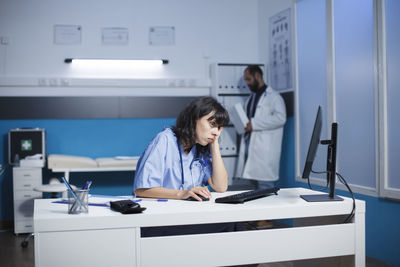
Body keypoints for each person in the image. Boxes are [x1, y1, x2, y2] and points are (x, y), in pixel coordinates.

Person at [235, 65, 286, 189]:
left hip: (264, 149)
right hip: (250, 145)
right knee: (252, 186)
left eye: (248, 79)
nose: (247, 83)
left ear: (257, 76)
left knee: (265, 185)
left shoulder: (274, 97)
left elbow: (281, 118)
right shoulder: (251, 98)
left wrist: (255, 124)